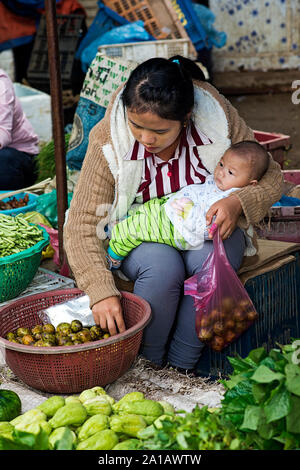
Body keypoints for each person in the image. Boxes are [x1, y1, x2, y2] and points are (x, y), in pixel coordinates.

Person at [64, 56, 283, 373]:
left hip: (207, 227)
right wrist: (100, 293)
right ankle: (148, 366)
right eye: (136, 125)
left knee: (209, 266)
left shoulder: (215, 118)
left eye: (159, 131)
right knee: (162, 267)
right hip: (144, 232)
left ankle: (181, 370)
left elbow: (273, 176)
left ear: (186, 118)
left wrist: (238, 204)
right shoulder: (109, 139)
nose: (147, 138)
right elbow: (82, 223)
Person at [106, 140, 270, 267]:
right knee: (146, 211)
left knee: (138, 229)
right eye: (221, 164)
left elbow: (209, 229)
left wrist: (188, 214)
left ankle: (113, 255)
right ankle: (123, 221)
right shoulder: (219, 182)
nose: (220, 172)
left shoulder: (229, 197)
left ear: (251, 184)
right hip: (173, 205)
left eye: (230, 172)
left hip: (179, 227)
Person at [0, 69, 39, 190]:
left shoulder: (1, 84)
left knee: (3, 159)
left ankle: (9, 202)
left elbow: (4, 133)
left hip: (18, 154)